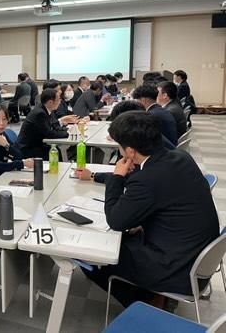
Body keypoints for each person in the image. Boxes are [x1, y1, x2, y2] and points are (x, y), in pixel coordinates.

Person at [82, 111, 219, 309]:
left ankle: (146, 302)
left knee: (95, 255)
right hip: (194, 255)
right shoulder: (179, 157)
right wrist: (101, 175)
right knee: (126, 237)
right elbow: (145, 180)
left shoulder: (148, 179)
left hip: (175, 268)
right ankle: (150, 295)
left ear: (130, 151)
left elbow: (116, 221)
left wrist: (117, 178)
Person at [17, 89, 69, 159]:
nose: (60, 102)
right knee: (57, 152)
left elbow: (54, 125)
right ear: (50, 102)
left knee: (58, 150)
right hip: (27, 149)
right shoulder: (40, 113)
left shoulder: (46, 108)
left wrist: (66, 130)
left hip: (36, 144)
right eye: (58, 100)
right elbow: (49, 134)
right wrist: (67, 134)